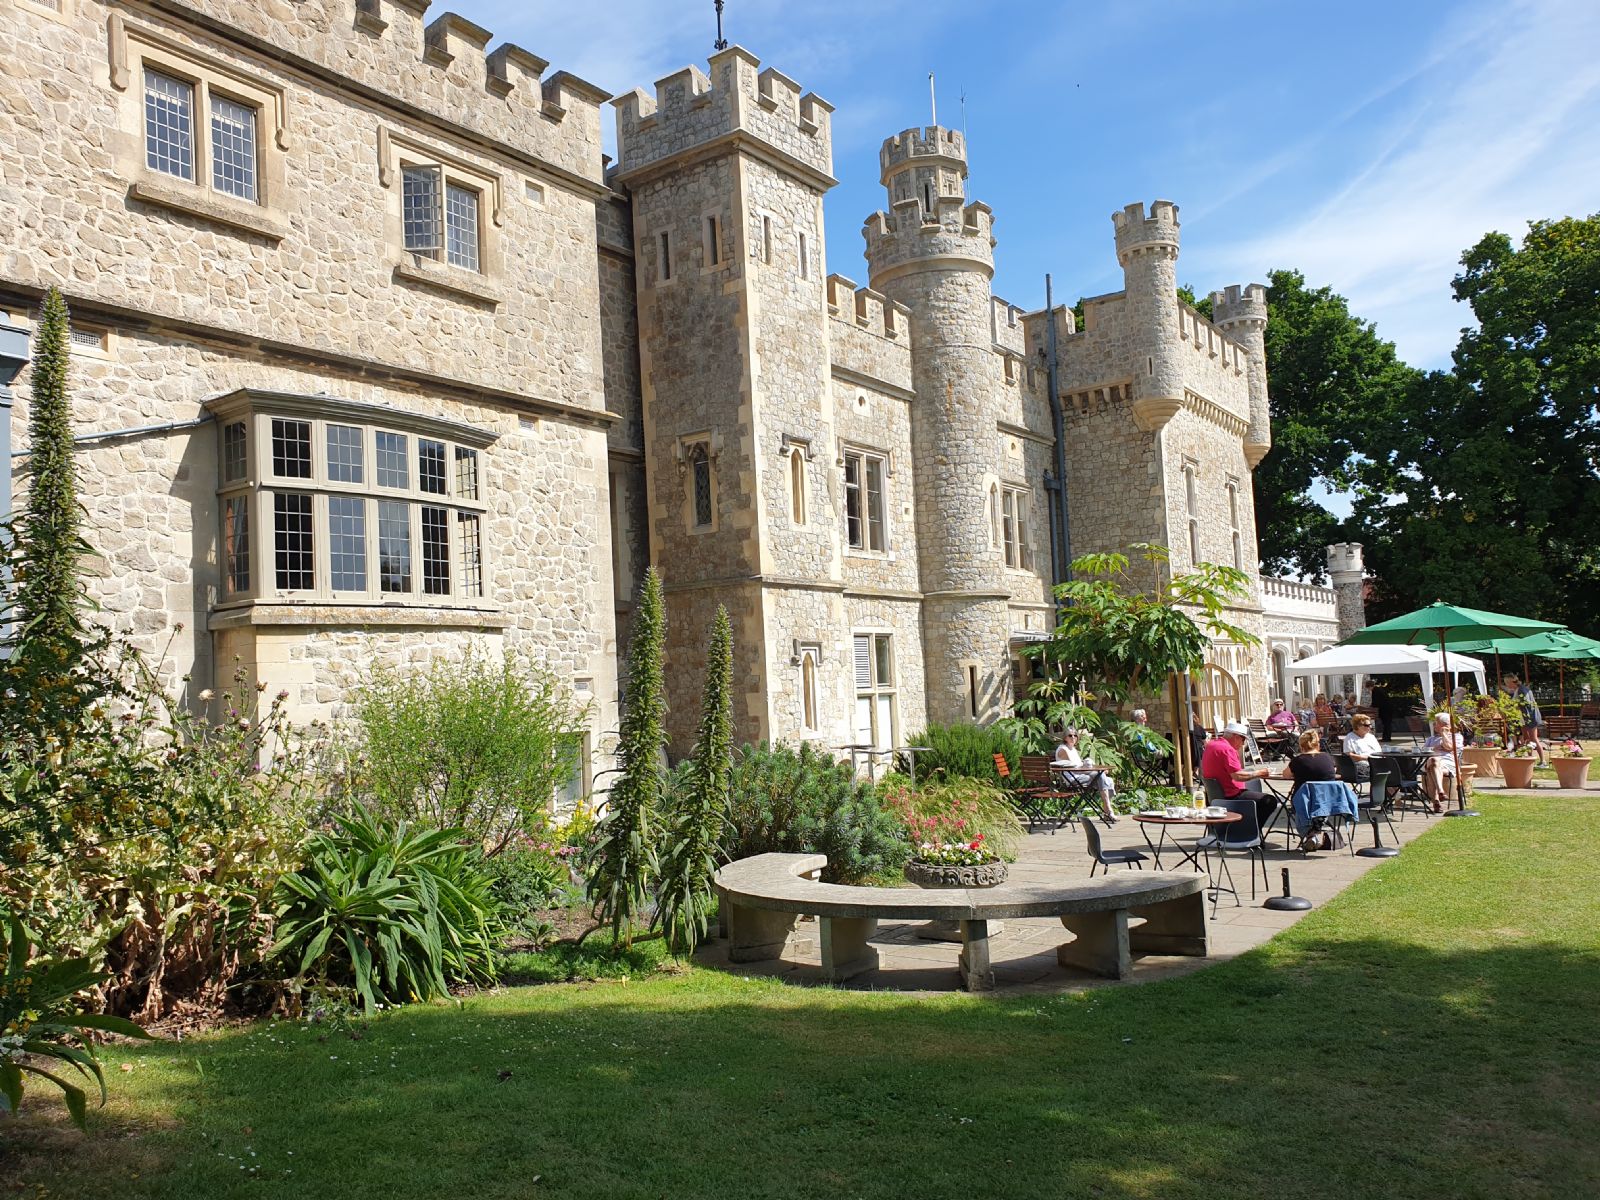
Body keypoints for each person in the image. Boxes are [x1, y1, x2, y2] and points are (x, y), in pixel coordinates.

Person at [1200, 720, 1279, 832]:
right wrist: (1259, 773)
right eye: (1243, 740)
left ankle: (1244, 827)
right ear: (1236, 736)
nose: (1243, 744)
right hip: (1230, 795)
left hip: (1215, 794)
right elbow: (1237, 776)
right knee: (1269, 801)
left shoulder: (1211, 745)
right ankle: (1251, 831)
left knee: (1252, 786)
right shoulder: (1227, 750)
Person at [1053, 730, 1117, 825]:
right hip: (1072, 779)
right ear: (1065, 737)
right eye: (1070, 735)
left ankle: (1107, 809)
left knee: (1109, 780)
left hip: (1081, 776)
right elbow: (1073, 768)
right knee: (1100, 776)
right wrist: (1096, 770)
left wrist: (1092, 768)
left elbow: (1079, 766)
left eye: (1075, 735)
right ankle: (1107, 810)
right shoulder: (1063, 750)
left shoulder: (1073, 749)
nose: (1073, 737)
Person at [1502, 673, 1545, 765]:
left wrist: (1512, 706)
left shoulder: (1522, 689)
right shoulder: (1518, 689)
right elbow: (1512, 695)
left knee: (1533, 738)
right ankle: (1530, 759)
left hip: (1530, 717)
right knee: (1526, 738)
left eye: (1506, 683)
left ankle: (1543, 761)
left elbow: (1526, 703)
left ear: (1510, 682)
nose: (1506, 685)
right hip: (1523, 718)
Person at [1421, 713, 1460, 814]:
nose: (1434, 726)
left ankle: (1436, 802)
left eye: (1436, 723)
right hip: (1432, 761)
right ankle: (1440, 791)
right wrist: (1434, 748)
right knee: (1434, 760)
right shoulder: (1431, 739)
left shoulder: (1457, 737)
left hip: (1448, 764)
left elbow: (1449, 747)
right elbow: (1422, 751)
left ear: (1443, 725)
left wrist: (1444, 735)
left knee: (1432, 767)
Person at [1341, 714, 1382, 782]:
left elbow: (1379, 752)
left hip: (1377, 762)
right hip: (1362, 765)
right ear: (1358, 726)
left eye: (1370, 724)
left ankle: (1389, 790)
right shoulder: (1350, 738)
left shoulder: (1371, 737)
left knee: (1395, 767)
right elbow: (1349, 755)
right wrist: (1366, 758)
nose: (1370, 727)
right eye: (1367, 725)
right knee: (1384, 771)